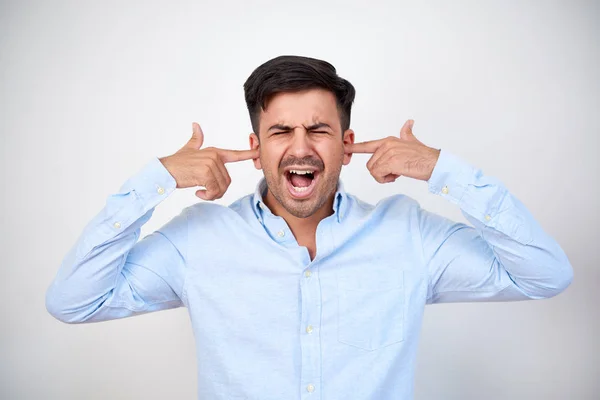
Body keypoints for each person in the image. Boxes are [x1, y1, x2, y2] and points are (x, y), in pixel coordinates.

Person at [45, 55, 573, 400]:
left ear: (346, 145)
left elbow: (544, 275)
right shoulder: (197, 240)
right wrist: (153, 181)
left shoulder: (409, 234)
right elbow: (74, 301)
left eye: (319, 130)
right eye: (280, 131)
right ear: (256, 150)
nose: (300, 147)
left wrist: (444, 171)